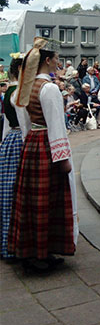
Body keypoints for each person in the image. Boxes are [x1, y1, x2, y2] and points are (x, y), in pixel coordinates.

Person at [8, 38, 79, 272]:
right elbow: (57, 125)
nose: (58, 62)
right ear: (47, 60)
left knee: (32, 201)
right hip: (47, 146)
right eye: (56, 59)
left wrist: (28, 142)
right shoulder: (49, 88)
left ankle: (32, 251)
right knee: (49, 201)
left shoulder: (26, 87)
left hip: (32, 144)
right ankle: (43, 252)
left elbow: (25, 123)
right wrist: (63, 159)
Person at [0, 55, 24, 259]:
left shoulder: (9, 91)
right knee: (17, 191)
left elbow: (7, 126)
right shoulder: (18, 93)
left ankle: (6, 240)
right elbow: (23, 125)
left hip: (9, 141)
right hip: (19, 140)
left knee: (8, 191)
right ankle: (15, 243)